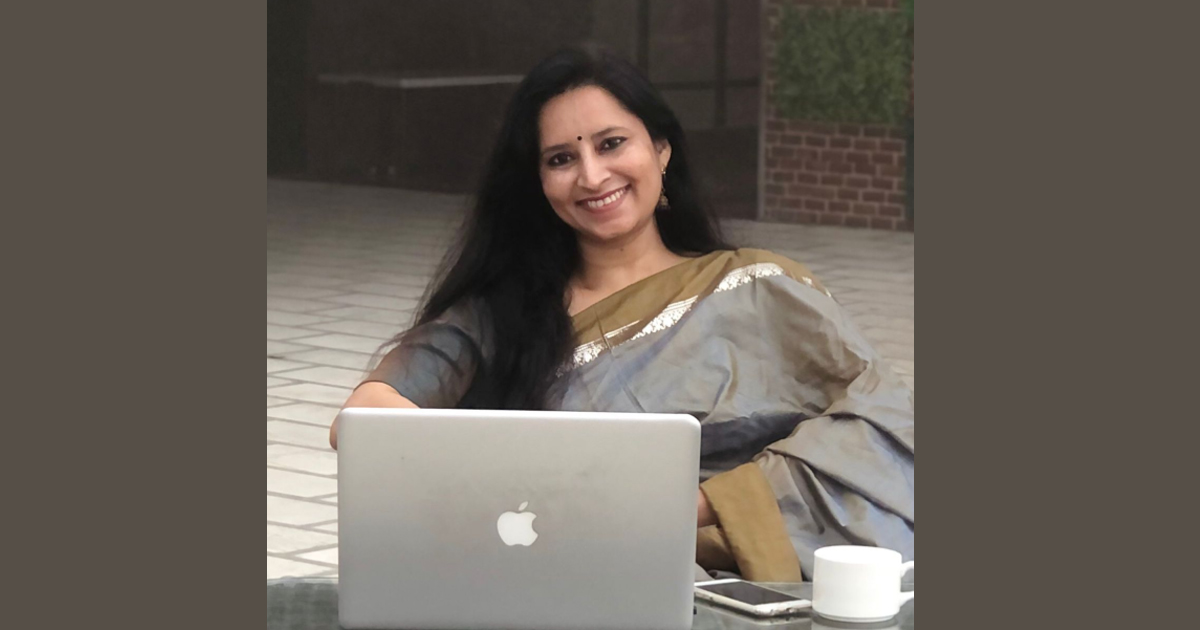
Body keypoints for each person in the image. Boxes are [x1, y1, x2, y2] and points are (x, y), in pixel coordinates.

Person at [330, 46, 914, 582]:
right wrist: (525, 489)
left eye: (611, 144)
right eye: (562, 158)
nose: (592, 176)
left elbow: (886, 421)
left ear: (660, 149)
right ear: (539, 182)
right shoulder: (498, 315)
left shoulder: (759, 287)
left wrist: (701, 503)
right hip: (565, 580)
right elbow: (364, 419)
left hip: (752, 583)